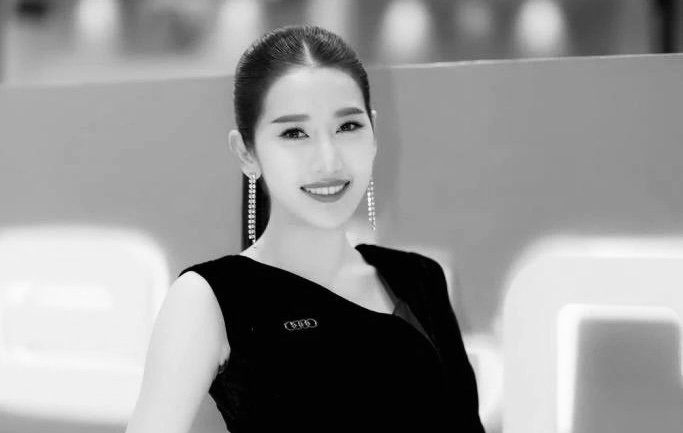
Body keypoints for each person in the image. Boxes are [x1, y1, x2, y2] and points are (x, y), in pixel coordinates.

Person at [125, 25, 485, 433]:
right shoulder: (210, 298)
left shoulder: (419, 278)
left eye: (348, 127)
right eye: (294, 133)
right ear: (246, 152)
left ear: (373, 132)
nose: (328, 161)